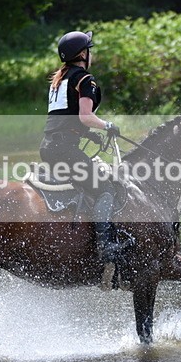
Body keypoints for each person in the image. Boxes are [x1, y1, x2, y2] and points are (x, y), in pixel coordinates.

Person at [39, 30, 128, 289]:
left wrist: (87, 134)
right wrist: (107, 126)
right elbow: (85, 116)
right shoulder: (85, 79)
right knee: (105, 188)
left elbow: (64, 117)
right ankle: (106, 245)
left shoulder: (60, 79)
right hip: (64, 150)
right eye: (90, 49)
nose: (92, 54)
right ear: (82, 54)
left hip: (49, 147)